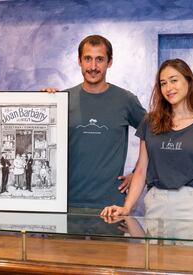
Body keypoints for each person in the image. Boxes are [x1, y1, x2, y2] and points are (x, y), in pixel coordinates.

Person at [101, 59, 193, 238]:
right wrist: (126, 207)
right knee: (156, 262)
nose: (169, 88)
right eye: (163, 83)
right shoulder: (150, 122)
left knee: (191, 263)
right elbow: (141, 170)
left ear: (188, 81)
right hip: (156, 204)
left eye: (174, 80)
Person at [44, 35, 146, 212]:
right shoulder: (62, 100)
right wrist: (43, 103)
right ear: (79, 61)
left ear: (110, 62)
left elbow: (155, 133)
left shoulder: (125, 100)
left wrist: (137, 173)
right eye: (87, 59)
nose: (93, 67)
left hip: (111, 207)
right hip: (66, 204)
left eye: (99, 59)